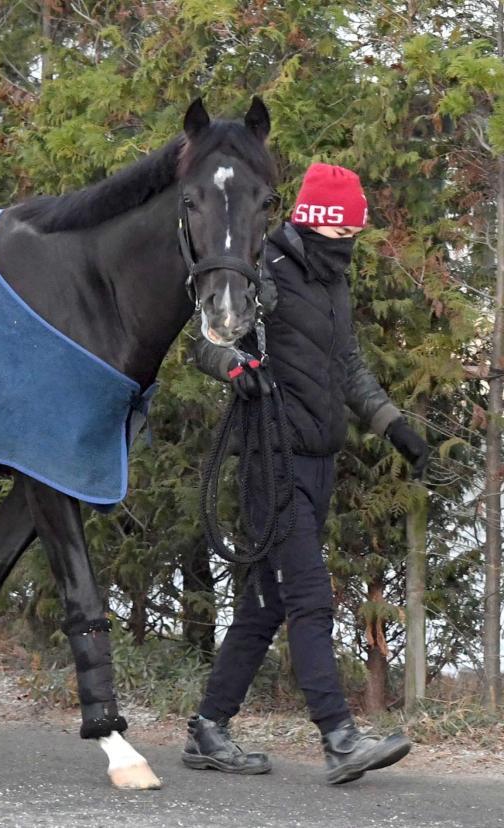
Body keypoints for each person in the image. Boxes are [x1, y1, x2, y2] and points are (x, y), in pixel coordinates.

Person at [183, 163, 430, 785]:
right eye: (343, 234)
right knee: (310, 597)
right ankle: (340, 739)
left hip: (320, 462)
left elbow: (347, 367)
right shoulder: (264, 270)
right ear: (320, 226)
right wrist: (236, 368)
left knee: (265, 604)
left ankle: (209, 728)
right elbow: (207, 339)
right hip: (273, 459)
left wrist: (395, 426)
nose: (349, 246)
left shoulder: (333, 282)